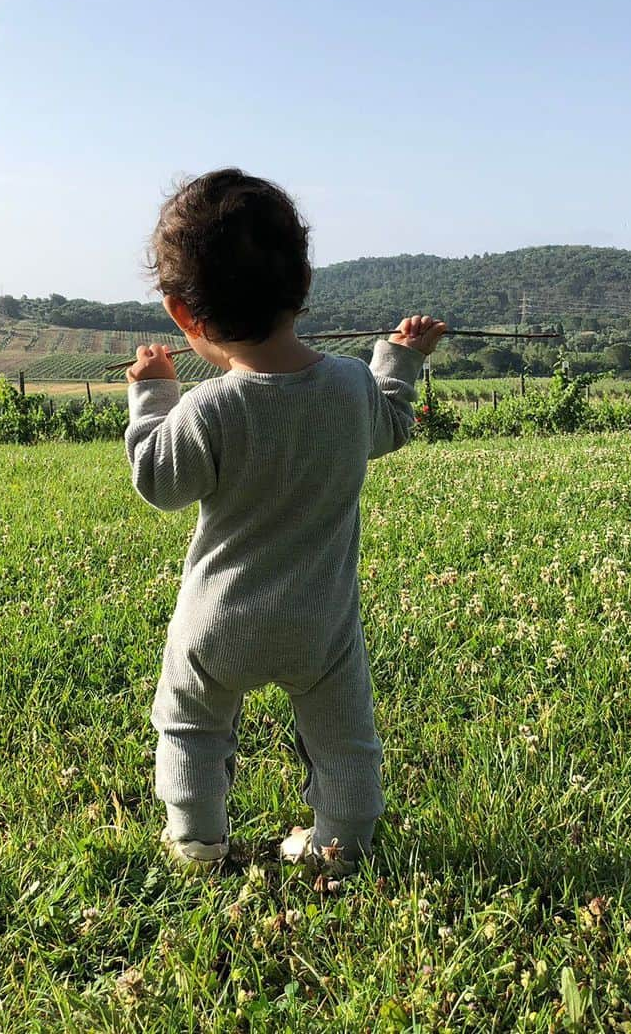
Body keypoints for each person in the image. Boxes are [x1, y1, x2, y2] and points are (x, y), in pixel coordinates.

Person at [126, 168, 445, 875]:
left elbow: (159, 481)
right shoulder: (348, 386)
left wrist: (153, 396)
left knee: (191, 726)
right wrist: (399, 359)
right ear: (303, 283)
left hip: (216, 624)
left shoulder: (207, 410)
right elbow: (390, 424)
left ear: (185, 315)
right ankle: (339, 845)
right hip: (318, 624)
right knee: (343, 742)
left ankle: (197, 842)